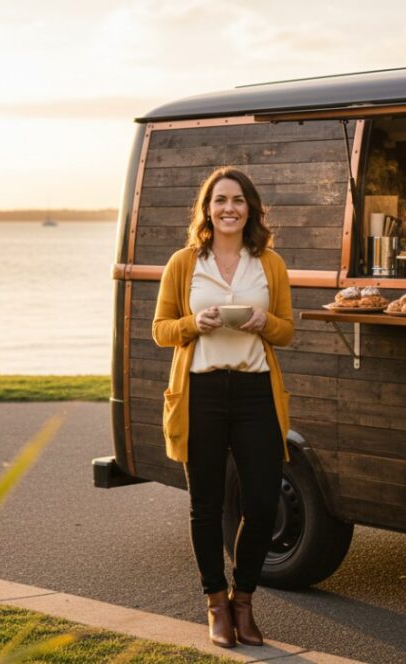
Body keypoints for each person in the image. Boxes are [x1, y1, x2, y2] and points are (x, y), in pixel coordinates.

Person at [151, 166, 294, 648]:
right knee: (206, 505)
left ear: (250, 208)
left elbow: (288, 331)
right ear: (206, 209)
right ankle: (215, 602)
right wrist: (195, 322)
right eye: (219, 200)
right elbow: (160, 329)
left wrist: (263, 321)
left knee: (260, 501)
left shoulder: (269, 263)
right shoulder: (184, 262)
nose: (229, 208)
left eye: (237, 200)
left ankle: (244, 600)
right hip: (201, 393)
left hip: (256, 393)